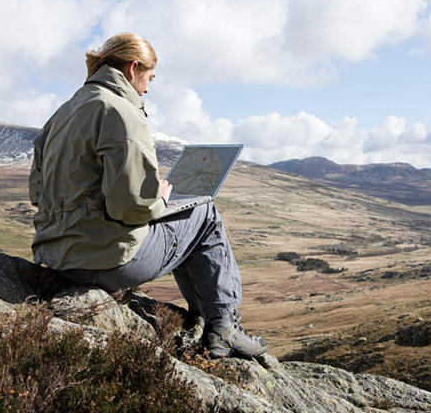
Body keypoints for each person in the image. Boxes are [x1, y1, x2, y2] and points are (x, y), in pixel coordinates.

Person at [29, 32, 266, 358]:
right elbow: (131, 206)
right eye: (149, 77)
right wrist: (161, 201)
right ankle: (222, 326)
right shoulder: (120, 110)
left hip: (55, 257)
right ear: (132, 68)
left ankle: (203, 320)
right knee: (204, 213)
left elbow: (37, 191)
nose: (148, 88)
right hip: (105, 260)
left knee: (188, 217)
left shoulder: (65, 110)